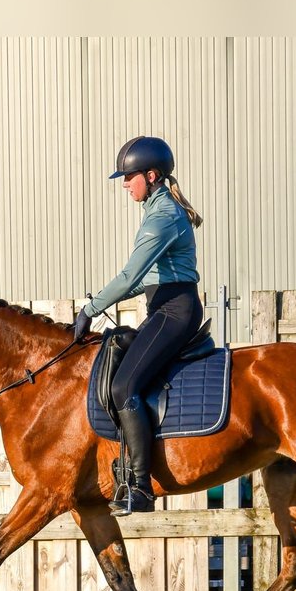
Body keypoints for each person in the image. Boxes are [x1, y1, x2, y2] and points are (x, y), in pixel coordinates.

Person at [72, 135, 204, 515]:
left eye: (129, 177)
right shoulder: (156, 210)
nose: (125, 184)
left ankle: (140, 485)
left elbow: (131, 276)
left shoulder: (163, 217)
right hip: (162, 307)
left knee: (124, 386)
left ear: (152, 175)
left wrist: (91, 309)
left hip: (174, 311)